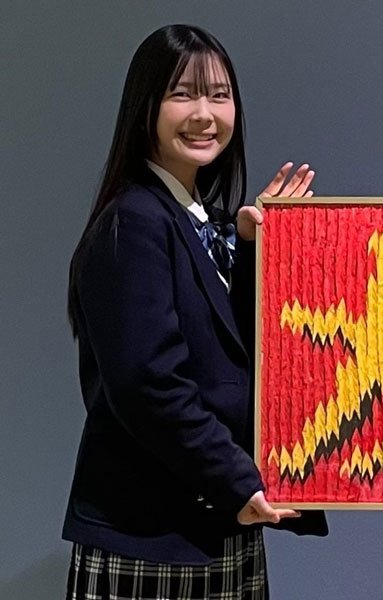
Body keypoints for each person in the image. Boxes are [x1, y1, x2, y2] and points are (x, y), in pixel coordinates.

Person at [63, 24, 327, 600]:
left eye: (219, 95)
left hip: (218, 522)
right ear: (145, 107)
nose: (204, 114)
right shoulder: (135, 220)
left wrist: (255, 252)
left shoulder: (198, 217)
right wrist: (238, 479)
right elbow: (149, 385)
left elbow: (236, 355)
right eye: (182, 94)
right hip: (155, 533)